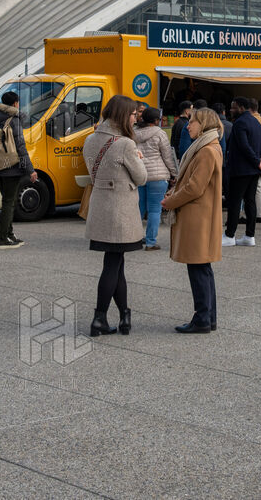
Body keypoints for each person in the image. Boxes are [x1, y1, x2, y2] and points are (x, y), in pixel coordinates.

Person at [83, 95, 147, 336]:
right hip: (120, 212)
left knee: (116, 263)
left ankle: (124, 315)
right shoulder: (125, 144)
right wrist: (139, 158)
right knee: (113, 264)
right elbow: (141, 178)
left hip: (100, 207)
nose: (135, 119)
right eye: (133, 114)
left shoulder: (90, 139)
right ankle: (99, 317)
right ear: (122, 115)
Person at [162, 107, 225, 332]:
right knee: (202, 269)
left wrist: (171, 201)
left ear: (204, 124)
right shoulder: (208, 146)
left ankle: (202, 319)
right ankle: (208, 317)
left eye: (193, 122)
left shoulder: (206, 150)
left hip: (198, 217)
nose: (188, 126)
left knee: (198, 269)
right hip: (201, 216)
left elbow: (194, 187)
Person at [0, 91, 38, 250]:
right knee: (9, 202)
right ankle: (2, 239)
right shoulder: (14, 119)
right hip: (12, 168)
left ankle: (9, 234)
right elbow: (20, 146)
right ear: (15, 104)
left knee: (8, 201)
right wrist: (30, 170)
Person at [223, 97, 261, 247]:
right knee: (250, 202)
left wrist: (256, 160)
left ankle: (230, 235)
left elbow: (243, 146)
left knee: (234, 202)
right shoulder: (256, 122)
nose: (231, 110)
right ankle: (249, 235)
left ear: (241, 108)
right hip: (254, 170)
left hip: (240, 169)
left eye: (233, 107)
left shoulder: (239, 123)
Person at [133, 106, 178, 251]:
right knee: (154, 210)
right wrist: (175, 174)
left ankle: (134, 239)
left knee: (138, 209)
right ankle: (151, 242)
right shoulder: (160, 133)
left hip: (139, 175)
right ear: (156, 120)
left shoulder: (134, 133)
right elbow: (167, 157)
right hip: (158, 177)